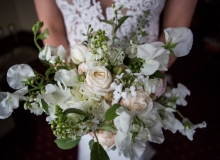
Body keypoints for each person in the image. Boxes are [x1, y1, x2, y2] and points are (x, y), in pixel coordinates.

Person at [33, 0, 198, 159]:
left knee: (134, 140)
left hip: (141, 82)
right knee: (94, 144)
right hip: (80, 89)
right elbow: (51, 26)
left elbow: (177, 25)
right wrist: (72, 84)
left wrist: (142, 83)